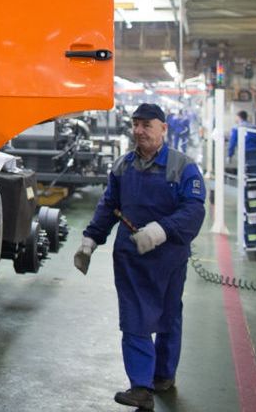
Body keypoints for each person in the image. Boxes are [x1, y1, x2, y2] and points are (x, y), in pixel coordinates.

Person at [74, 103, 205, 411]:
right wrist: (91, 238)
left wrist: (162, 229)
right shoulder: (122, 167)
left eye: (147, 125)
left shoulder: (183, 167)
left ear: (163, 129)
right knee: (135, 318)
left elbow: (194, 210)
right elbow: (109, 205)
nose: (139, 131)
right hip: (131, 257)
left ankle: (163, 376)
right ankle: (141, 387)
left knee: (168, 315)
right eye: (135, 124)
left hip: (169, 257)